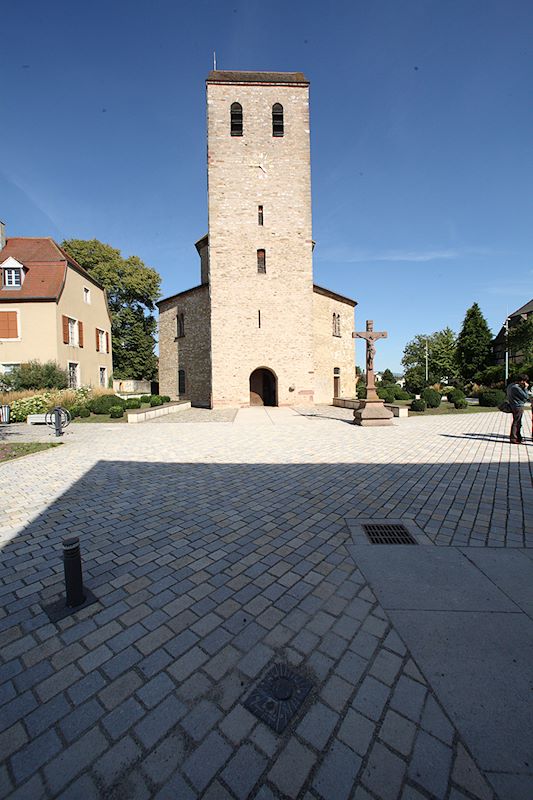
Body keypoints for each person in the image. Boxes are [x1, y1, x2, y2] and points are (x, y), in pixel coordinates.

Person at [506, 374, 530, 444]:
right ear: (522, 381)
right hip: (518, 406)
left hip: (513, 405)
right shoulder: (516, 387)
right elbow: (526, 396)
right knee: (517, 422)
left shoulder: (510, 385)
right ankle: (514, 438)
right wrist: (525, 388)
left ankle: (518, 437)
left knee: (518, 422)